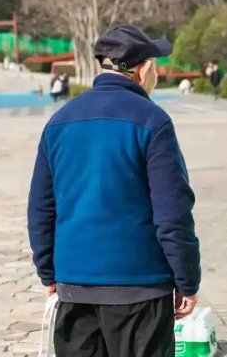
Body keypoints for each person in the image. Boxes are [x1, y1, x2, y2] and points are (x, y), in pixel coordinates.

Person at [28, 24, 201, 357]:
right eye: (155, 65)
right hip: (141, 289)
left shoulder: (60, 121)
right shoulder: (153, 121)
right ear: (143, 69)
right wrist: (186, 279)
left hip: (75, 287)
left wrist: (48, 272)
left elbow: (41, 208)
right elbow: (173, 212)